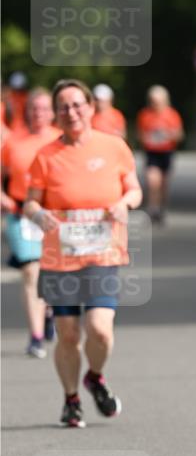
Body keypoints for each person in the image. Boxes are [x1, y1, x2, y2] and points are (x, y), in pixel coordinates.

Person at [23, 79, 142, 427]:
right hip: (60, 257)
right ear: (56, 114)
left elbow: (134, 190)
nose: (71, 112)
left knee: (100, 329)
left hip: (103, 254)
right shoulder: (45, 155)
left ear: (90, 107)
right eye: (63, 107)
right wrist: (37, 214)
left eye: (77, 105)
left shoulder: (114, 147)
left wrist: (124, 204)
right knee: (68, 333)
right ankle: (71, 398)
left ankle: (95, 376)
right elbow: (30, 201)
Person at [1, 88, 61, 356]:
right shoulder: (13, 141)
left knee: (52, 272)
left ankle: (48, 311)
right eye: (34, 109)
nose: (39, 113)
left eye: (44, 108)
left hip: (53, 216)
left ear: (53, 112)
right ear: (27, 112)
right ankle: (35, 336)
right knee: (30, 271)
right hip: (20, 213)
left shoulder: (61, 140)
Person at [136, 85, 183, 222]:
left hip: (166, 152)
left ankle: (162, 207)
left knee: (163, 183)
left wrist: (168, 135)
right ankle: (153, 208)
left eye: (157, 101)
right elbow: (140, 135)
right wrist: (147, 138)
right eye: (152, 101)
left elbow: (179, 135)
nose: (155, 104)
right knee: (152, 181)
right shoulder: (145, 114)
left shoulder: (172, 114)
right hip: (151, 152)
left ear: (165, 100)